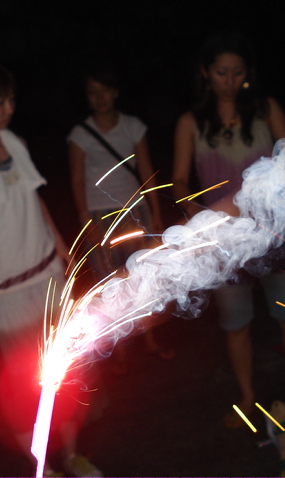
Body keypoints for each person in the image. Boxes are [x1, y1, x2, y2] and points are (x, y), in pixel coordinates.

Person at [0, 59, 100, 476]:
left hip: (48, 275)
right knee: (20, 388)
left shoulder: (15, 141)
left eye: (11, 100)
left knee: (66, 372)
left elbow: (34, 199)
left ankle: (72, 455)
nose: (8, 109)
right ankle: (42, 467)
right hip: (8, 292)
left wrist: (62, 246)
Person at [172, 31, 285, 428]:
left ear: (248, 73)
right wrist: (196, 212)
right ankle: (248, 398)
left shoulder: (266, 109)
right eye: (221, 72)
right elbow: (179, 181)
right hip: (225, 241)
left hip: (274, 232)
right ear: (205, 73)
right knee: (236, 324)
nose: (230, 81)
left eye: (237, 72)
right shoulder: (190, 122)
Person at [67, 67, 174, 370]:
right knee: (108, 280)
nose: (99, 98)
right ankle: (119, 348)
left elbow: (146, 170)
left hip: (133, 210)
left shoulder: (132, 126)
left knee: (141, 275)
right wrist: (85, 219)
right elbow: (76, 180)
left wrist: (154, 211)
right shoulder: (80, 135)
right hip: (99, 214)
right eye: (92, 92)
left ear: (115, 93)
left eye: (104, 91)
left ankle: (149, 338)